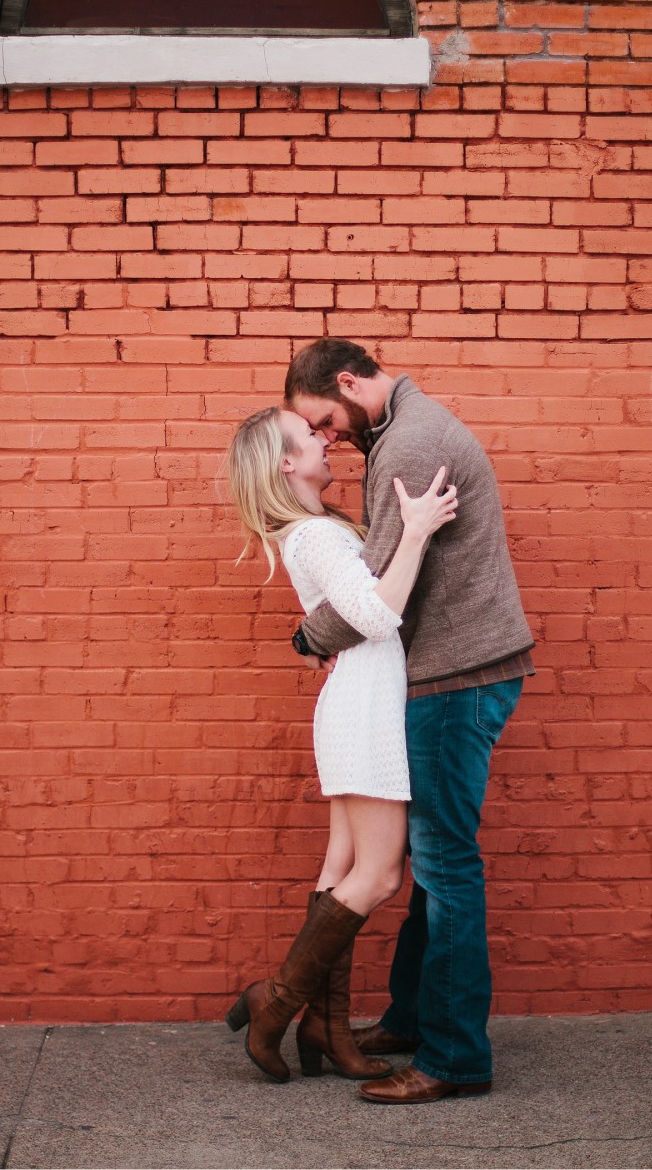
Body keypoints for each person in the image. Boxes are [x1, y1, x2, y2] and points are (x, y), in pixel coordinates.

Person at [284, 339, 534, 1106]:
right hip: (450, 676)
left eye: (325, 420)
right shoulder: (400, 430)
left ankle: (455, 1059)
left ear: (352, 383)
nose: (326, 437)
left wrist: (307, 637)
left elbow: (371, 588)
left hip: (456, 681)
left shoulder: (414, 442)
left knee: (447, 866)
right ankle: (413, 1017)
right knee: (433, 864)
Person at [223, 406, 458, 1084]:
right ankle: (276, 1003)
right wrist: (414, 532)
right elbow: (378, 616)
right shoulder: (319, 536)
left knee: (342, 865)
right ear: (286, 466)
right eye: (310, 439)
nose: (326, 441)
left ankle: (324, 1024)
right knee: (380, 875)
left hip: (356, 701)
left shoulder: (314, 532)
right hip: (367, 708)